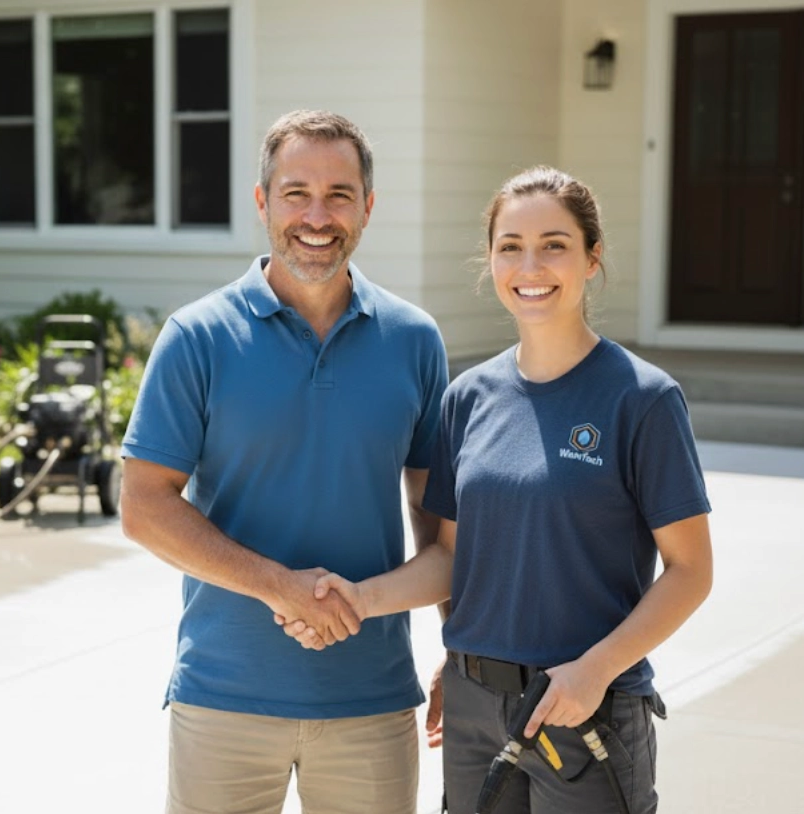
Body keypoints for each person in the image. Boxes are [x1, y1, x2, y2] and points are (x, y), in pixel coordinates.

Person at [283, 166, 713, 813]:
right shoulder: (468, 398)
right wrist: (358, 598)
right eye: (510, 245)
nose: (529, 264)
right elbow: (453, 560)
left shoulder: (643, 400)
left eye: (554, 244)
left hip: (585, 711)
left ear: (592, 258)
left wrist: (594, 670)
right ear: (490, 261)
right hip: (473, 710)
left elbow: (691, 571)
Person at [119, 109, 448, 814]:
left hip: (372, 698)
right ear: (263, 201)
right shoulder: (196, 337)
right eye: (296, 192)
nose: (318, 215)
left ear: (368, 205)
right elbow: (144, 505)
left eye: (339, 194)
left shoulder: (415, 341)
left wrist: (462, 644)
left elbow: (439, 529)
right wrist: (279, 587)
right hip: (224, 697)